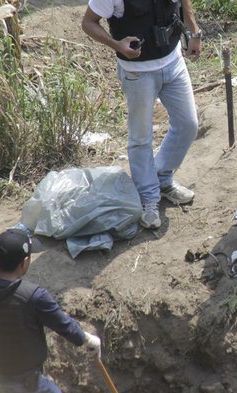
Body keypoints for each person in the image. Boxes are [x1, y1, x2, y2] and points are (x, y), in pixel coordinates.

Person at [82, 0, 202, 229]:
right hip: (138, 73)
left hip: (174, 62)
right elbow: (88, 23)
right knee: (141, 137)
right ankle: (148, 198)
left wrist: (194, 30)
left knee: (188, 125)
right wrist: (116, 44)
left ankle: (162, 178)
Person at [0, 228, 101, 393]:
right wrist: (88, 339)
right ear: (25, 262)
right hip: (27, 389)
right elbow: (67, 327)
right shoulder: (34, 297)